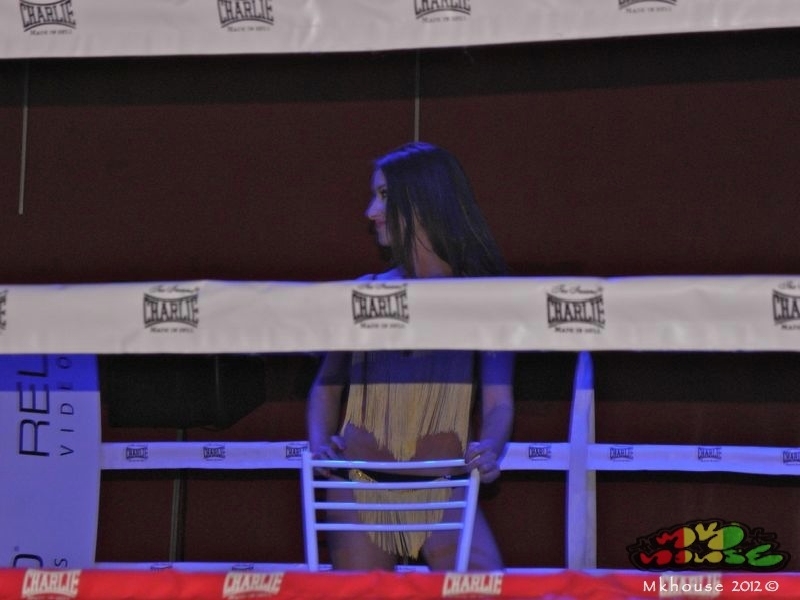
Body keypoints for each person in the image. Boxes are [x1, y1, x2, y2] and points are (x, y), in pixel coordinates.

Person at [307, 141, 514, 571]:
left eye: (384, 195)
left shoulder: (484, 297)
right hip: (360, 484)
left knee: (483, 587)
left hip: (443, 483)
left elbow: (499, 400)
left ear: (422, 200)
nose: (370, 211)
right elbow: (326, 386)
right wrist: (320, 442)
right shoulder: (367, 291)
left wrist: (490, 448)